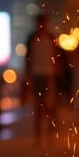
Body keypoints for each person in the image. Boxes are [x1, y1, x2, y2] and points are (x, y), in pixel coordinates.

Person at [24, 13, 58, 146]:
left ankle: (50, 134)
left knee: (49, 106)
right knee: (38, 106)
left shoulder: (51, 37)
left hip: (49, 74)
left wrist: (57, 71)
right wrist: (28, 76)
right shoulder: (32, 38)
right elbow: (28, 58)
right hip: (36, 74)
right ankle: (38, 136)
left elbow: (56, 55)